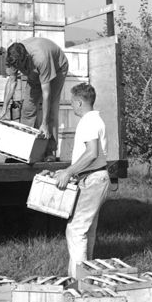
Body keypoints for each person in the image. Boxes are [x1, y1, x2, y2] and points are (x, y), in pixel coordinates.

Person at [54, 82, 111, 280]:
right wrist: (68, 171)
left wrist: (69, 172)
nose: (71, 106)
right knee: (88, 230)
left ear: (79, 102)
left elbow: (92, 153)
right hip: (97, 178)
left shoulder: (88, 122)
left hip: (93, 180)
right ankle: (87, 277)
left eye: (71, 102)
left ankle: (78, 281)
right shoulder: (96, 119)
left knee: (76, 230)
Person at [0, 36, 69, 161]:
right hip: (34, 71)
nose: (16, 69)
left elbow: (46, 93)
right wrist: (4, 109)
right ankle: (25, 148)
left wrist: (44, 123)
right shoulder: (11, 57)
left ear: (25, 58)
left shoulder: (41, 58)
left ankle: (50, 151)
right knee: (27, 108)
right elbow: (11, 82)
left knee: (51, 110)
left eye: (18, 66)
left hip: (57, 68)